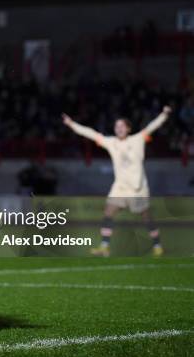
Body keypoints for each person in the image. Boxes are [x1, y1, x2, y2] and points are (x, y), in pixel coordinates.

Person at [62, 107, 171, 256]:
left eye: (121, 126)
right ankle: (104, 247)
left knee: (146, 217)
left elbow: (152, 126)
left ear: (128, 129)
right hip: (120, 187)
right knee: (108, 212)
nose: (118, 128)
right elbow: (91, 134)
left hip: (137, 188)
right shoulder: (111, 142)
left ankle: (158, 246)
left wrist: (164, 115)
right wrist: (71, 124)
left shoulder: (138, 139)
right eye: (116, 126)